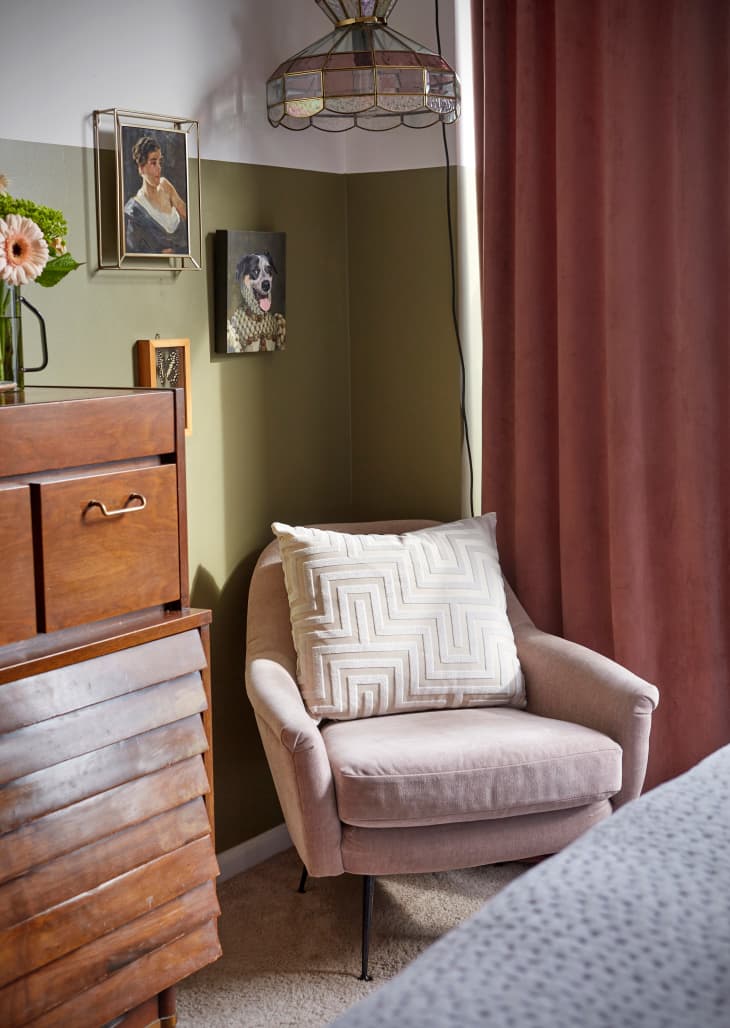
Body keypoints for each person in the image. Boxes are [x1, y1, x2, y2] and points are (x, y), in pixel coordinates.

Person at [124, 135, 188, 255]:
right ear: (141, 168)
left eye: (160, 162)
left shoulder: (165, 186)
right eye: (153, 163)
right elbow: (136, 251)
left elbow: (189, 219)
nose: (159, 168)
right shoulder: (134, 209)